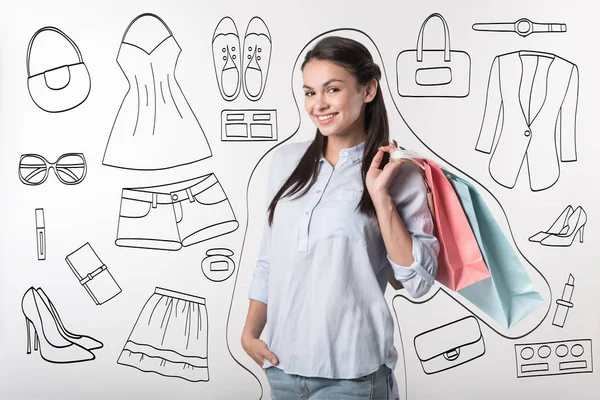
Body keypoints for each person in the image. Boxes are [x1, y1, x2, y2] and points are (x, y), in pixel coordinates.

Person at [241, 35, 439, 399]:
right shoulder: (284, 163)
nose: (319, 105)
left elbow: (418, 281)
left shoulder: (401, 174)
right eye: (310, 92)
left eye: (332, 89)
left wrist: (380, 196)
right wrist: (250, 334)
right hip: (282, 367)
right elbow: (271, 258)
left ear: (368, 90)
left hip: (353, 374)